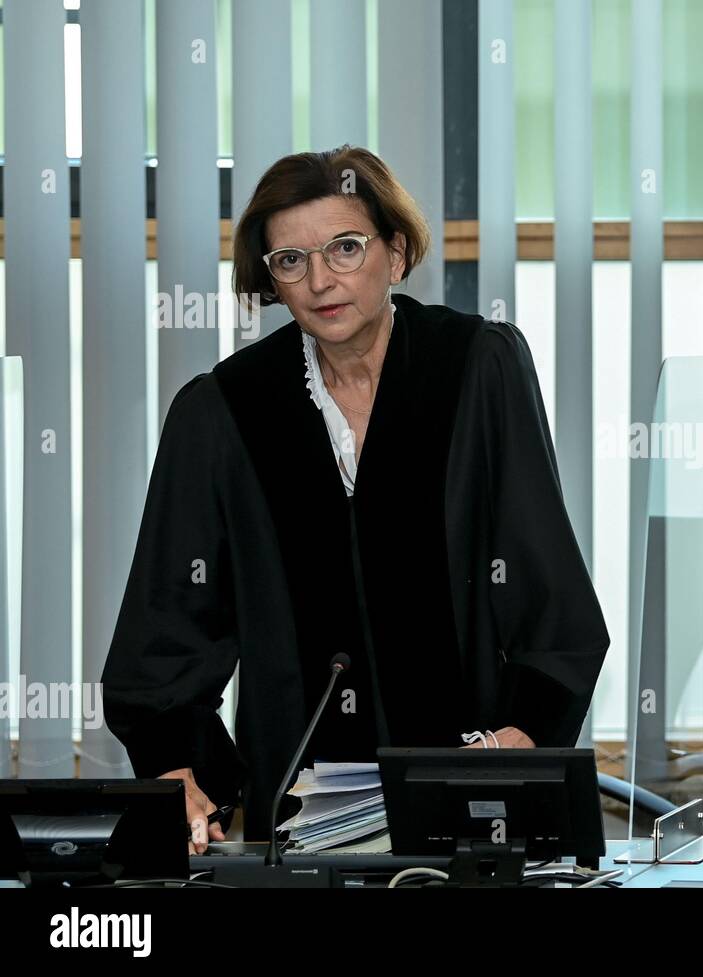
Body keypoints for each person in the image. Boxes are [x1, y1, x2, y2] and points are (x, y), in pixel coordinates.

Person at [102, 146, 609, 851]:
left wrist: (516, 742)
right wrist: (182, 768)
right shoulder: (226, 411)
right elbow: (163, 636)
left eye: (345, 247)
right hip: (299, 824)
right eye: (290, 261)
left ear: (395, 254)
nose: (320, 280)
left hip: (471, 806)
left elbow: (551, 597)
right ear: (272, 280)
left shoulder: (474, 368)